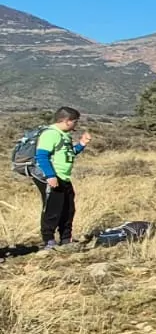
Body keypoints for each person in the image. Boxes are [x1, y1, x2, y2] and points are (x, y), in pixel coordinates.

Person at [34, 106, 89, 248]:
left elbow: (68, 154)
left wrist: (81, 144)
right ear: (67, 120)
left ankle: (66, 239)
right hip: (53, 177)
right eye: (75, 121)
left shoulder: (64, 135)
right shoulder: (50, 134)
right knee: (53, 210)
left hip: (64, 178)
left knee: (68, 210)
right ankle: (49, 241)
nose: (76, 125)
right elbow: (41, 156)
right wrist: (50, 176)